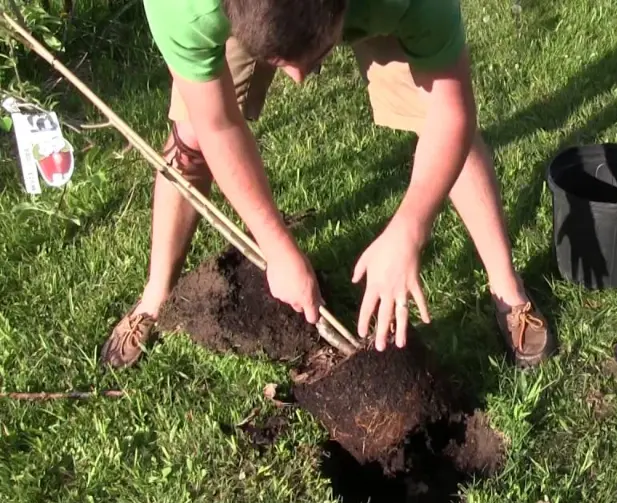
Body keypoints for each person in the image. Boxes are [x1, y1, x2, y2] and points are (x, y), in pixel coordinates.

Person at [100, 0, 556, 369]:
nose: (297, 80)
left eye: (312, 58)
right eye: (280, 63)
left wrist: (410, 229)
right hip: (247, 19)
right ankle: (156, 295)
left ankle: (508, 290)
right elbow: (218, 125)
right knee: (192, 139)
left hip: (372, 11)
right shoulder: (182, 8)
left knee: (432, 116)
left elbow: (451, 114)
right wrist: (275, 246)